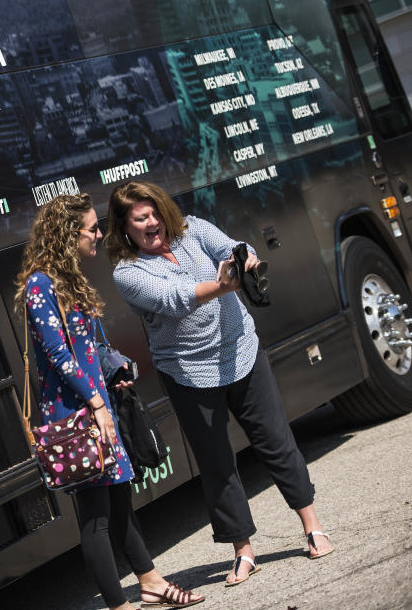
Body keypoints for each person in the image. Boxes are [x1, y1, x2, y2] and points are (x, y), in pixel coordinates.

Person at [105, 181, 335, 587]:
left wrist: (244, 259)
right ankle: (243, 552)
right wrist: (224, 286)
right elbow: (175, 298)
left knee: (276, 441)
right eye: (141, 219)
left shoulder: (192, 228)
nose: (153, 222)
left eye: (155, 212)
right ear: (125, 228)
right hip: (189, 373)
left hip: (241, 352)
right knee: (217, 464)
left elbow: (230, 245)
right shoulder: (129, 272)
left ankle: (313, 527)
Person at [14, 193, 204, 610]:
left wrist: (113, 368)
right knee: (96, 516)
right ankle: (120, 605)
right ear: (68, 233)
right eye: (92, 228)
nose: (99, 234)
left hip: (99, 405)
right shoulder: (39, 286)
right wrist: (96, 406)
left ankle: (150, 581)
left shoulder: (70, 280)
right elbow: (58, 356)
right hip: (77, 415)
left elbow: (86, 348)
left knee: (119, 503)